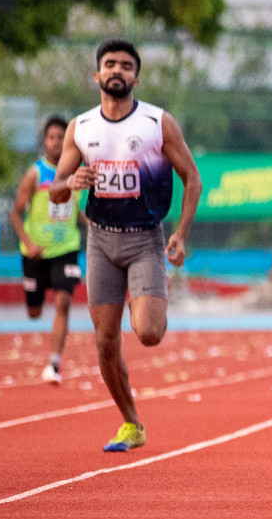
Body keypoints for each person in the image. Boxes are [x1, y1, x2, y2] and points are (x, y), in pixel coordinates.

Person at [51, 40, 201, 451]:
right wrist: (71, 183)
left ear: (136, 77)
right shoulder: (81, 128)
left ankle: (147, 294)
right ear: (97, 75)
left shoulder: (157, 123)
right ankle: (131, 422)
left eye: (126, 66)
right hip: (100, 241)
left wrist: (181, 234)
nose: (118, 70)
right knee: (105, 340)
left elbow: (193, 178)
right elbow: (56, 193)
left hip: (145, 239)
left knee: (149, 333)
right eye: (110, 64)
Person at [11, 116, 84, 384]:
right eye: (51, 137)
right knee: (34, 312)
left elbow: (79, 213)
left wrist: (98, 224)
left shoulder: (77, 174)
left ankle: (53, 363)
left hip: (66, 248)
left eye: (60, 138)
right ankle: (33, 297)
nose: (56, 142)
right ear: (45, 140)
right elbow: (15, 214)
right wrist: (28, 244)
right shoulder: (36, 173)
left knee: (63, 302)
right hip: (36, 252)